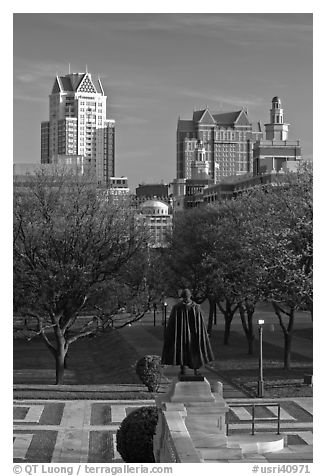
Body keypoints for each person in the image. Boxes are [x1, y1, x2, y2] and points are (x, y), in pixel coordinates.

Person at [161, 289, 214, 376]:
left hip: (193, 335)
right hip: (182, 335)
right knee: (183, 351)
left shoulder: (195, 307)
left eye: (186, 297)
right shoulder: (178, 308)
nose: (186, 299)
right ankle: (183, 369)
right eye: (184, 297)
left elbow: (200, 323)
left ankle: (195, 370)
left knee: (195, 352)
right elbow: (172, 323)